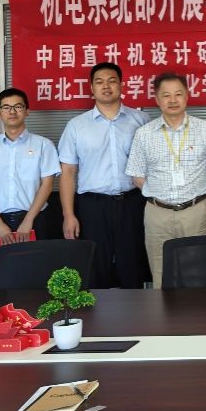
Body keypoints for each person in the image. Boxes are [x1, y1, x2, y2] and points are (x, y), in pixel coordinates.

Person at [126, 72, 206, 286]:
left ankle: (196, 310)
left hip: (195, 212)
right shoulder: (144, 134)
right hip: (157, 213)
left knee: (197, 274)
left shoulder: (205, 129)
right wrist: (158, 194)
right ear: (157, 99)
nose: (173, 100)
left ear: (187, 96)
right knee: (160, 274)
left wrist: (196, 192)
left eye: (178, 94)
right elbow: (136, 174)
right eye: (166, 95)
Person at [58, 62, 149, 288]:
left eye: (112, 81)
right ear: (91, 88)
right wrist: (68, 215)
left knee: (133, 266)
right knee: (95, 267)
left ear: (122, 85)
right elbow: (68, 172)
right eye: (99, 82)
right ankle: (97, 312)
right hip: (93, 206)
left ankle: (136, 311)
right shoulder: (76, 126)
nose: (106, 86)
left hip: (132, 203)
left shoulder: (142, 120)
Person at [0, 87, 61, 281]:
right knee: (0, 278)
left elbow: (47, 184)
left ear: (27, 111)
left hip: (35, 220)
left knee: (36, 277)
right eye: (6, 107)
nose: (12, 111)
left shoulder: (43, 145)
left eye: (18, 106)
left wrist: (28, 222)